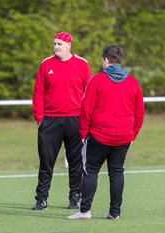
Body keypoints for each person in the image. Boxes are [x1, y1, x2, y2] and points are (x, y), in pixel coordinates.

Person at [67, 44, 145, 220]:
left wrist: (82, 134)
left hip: (98, 136)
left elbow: (86, 110)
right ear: (120, 60)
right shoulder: (133, 82)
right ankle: (114, 212)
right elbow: (139, 112)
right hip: (123, 137)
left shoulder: (97, 80)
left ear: (105, 60)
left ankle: (85, 211)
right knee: (117, 172)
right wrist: (133, 134)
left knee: (90, 171)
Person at [32, 32, 92, 210]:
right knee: (46, 161)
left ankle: (74, 198)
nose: (56, 46)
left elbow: (89, 93)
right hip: (50, 121)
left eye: (59, 44)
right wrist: (40, 118)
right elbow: (38, 93)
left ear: (69, 45)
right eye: (54, 44)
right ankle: (41, 198)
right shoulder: (46, 64)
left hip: (75, 120)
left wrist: (87, 120)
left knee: (76, 162)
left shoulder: (82, 64)